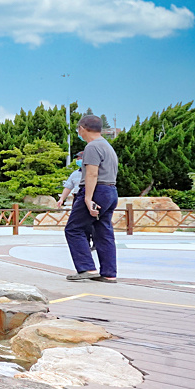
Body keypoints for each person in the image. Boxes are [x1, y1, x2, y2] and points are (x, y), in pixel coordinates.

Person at [64, 115, 119, 283]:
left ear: (82, 128)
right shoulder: (108, 146)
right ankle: (109, 273)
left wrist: (88, 198)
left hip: (96, 190)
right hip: (111, 190)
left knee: (74, 229)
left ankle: (87, 268)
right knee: (103, 232)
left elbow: (92, 173)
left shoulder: (92, 147)